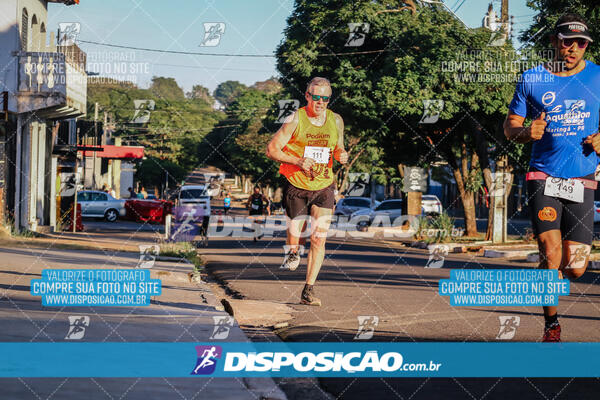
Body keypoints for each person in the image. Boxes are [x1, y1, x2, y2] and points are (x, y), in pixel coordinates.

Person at [504, 13, 600, 342]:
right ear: (554, 42)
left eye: (581, 43)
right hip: (542, 174)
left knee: (575, 267)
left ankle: (550, 276)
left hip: (582, 178)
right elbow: (509, 126)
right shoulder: (532, 79)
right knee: (551, 250)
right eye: (567, 41)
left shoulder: (599, 77)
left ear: (587, 46)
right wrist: (525, 131)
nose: (573, 48)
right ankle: (551, 324)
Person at [266, 77, 348, 306]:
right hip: (297, 183)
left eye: (325, 98)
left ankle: (308, 289)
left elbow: (339, 147)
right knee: (296, 235)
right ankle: (294, 251)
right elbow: (272, 150)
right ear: (307, 96)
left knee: (319, 238)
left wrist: (342, 154)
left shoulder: (336, 120)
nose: (320, 102)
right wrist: (298, 161)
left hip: (324, 184)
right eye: (316, 97)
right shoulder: (295, 119)